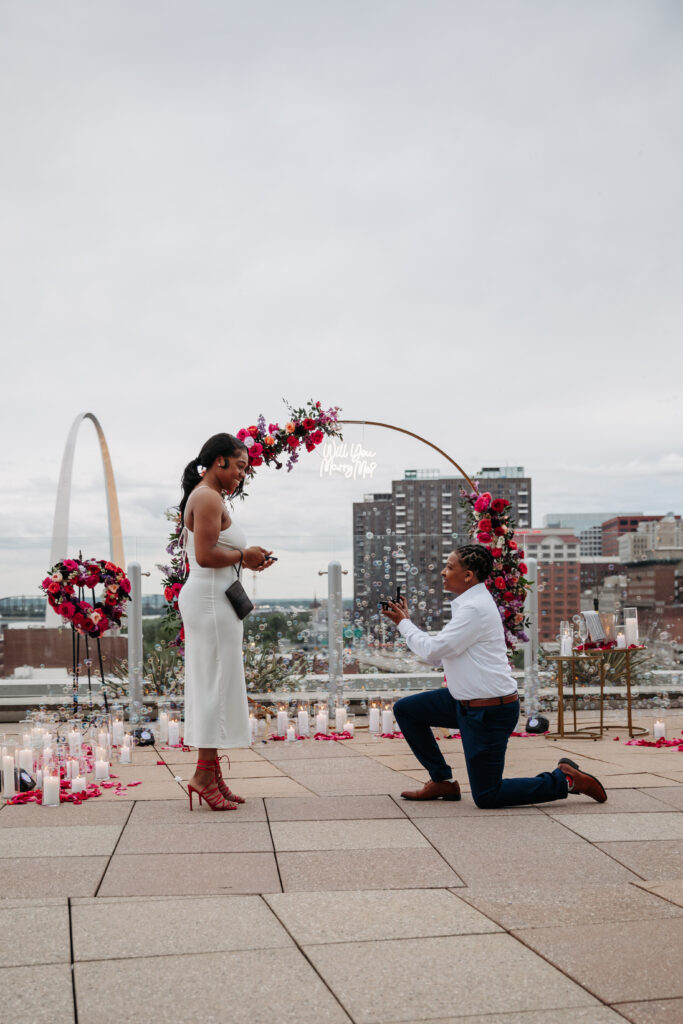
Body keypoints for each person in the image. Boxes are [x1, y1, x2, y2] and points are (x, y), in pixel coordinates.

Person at [382, 544, 607, 807]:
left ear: (468, 576)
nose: (443, 572)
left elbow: (432, 651)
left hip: (489, 711)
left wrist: (403, 623)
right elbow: (437, 653)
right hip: (463, 702)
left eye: (449, 567)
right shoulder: (470, 604)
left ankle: (565, 780)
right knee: (408, 710)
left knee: (488, 795)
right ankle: (442, 780)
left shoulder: (473, 609)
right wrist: (407, 622)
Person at [178, 433, 275, 811]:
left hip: (217, 599)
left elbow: (215, 552)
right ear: (219, 461)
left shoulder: (208, 496)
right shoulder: (206, 496)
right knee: (214, 684)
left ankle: (212, 770)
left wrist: (246, 558)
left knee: (216, 681)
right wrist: (244, 556)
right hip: (210, 600)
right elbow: (203, 555)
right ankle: (203, 774)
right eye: (239, 466)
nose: (242, 475)